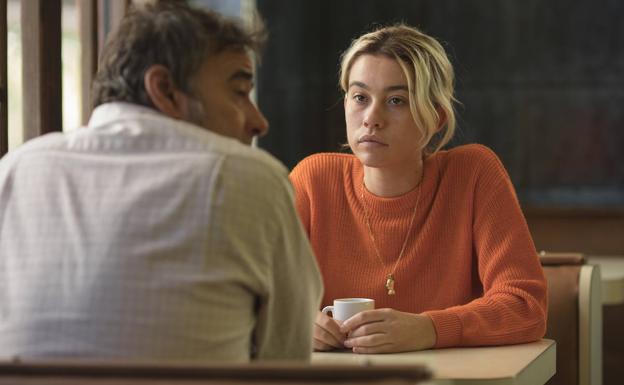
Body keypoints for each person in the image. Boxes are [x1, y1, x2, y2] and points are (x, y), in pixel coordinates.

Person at [0, 2, 322, 362]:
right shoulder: (250, 179)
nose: (259, 121)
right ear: (165, 89)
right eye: (239, 92)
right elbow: (286, 361)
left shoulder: (14, 172)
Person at [289, 24, 547, 353]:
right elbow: (254, 298)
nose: (371, 118)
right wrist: (295, 321)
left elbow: (526, 307)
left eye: (396, 100)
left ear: (435, 117)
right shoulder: (313, 180)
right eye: (360, 97)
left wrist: (429, 329)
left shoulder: (473, 174)